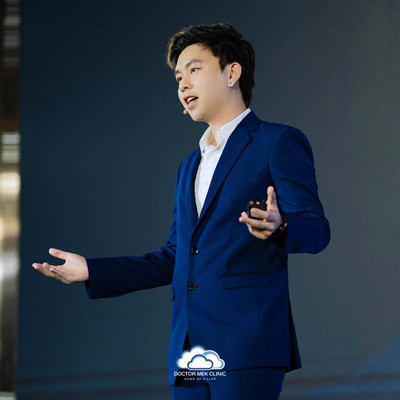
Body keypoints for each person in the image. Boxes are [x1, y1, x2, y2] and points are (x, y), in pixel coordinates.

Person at [33, 23, 330, 400]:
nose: (183, 85)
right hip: (189, 348)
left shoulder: (277, 141)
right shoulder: (189, 166)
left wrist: (280, 226)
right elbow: (176, 256)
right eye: (178, 78)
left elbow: (317, 230)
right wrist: (92, 270)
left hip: (247, 344)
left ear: (232, 72)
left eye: (194, 70)